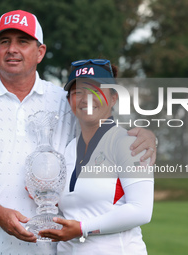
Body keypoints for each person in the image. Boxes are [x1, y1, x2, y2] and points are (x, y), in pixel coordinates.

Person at [0, 10, 157, 255]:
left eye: (23, 41)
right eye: (4, 41)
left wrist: (144, 136)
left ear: (40, 52)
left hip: (43, 249)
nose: (12, 49)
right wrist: (0, 215)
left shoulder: (61, 100)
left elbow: (99, 123)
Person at [39, 59, 154, 255]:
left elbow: (141, 210)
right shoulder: (68, 149)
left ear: (113, 98)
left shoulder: (129, 143)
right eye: (78, 92)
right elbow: (76, 207)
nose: (86, 99)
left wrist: (82, 228)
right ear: (69, 101)